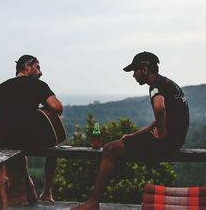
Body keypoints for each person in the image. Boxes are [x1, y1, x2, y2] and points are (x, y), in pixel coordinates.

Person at [72, 51, 189, 210]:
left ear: (145, 69)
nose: (134, 75)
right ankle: (93, 202)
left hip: (167, 141)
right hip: (174, 139)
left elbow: (159, 109)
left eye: (135, 70)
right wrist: (133, 136)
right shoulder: (166, 83)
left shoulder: (156, 86)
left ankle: (93, 203)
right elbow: (158, 119)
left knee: (110, 149)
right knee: (120, 144)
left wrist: (161, 134)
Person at [0, 54, 63, 206]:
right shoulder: (37, 84)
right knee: (55, 139)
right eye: (38, 67)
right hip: (28, 141)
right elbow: (58, 107)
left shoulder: (1, 87)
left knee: (19, 143)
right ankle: (47, 191)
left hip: (4, 143)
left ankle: (29, 183)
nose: (40, 72)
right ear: (27, 67)